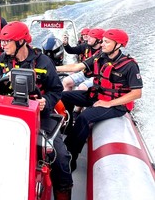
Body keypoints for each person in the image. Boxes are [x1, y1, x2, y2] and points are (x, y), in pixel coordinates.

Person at [0, 21, 73, 200]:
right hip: (10, 115)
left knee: (60, 156)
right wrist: (4, 77)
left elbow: (56, 90)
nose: (3, 45)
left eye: (7, 41)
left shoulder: (43, 62)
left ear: (20, 42)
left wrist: (46, 103)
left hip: (40, 114)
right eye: (2, 42)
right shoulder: (2, 60)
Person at [56, 28, 143, 172]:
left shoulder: (130, 65)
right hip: (97, 96)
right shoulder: (100, 57)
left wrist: (108, 103)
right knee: (65, 96)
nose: (102, 44)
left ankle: (71, 157)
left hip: (116, 105)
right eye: (102, 41)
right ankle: (69, 129)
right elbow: (77, 66)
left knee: (84, 117)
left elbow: (137, 93)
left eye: (107, 42)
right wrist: (52, 68)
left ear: (119, 45)